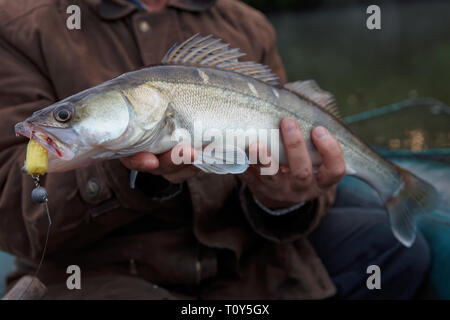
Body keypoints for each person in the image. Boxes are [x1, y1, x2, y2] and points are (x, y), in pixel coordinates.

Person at [0, 0, 430, 299]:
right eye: (66, 116)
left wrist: (279, 200)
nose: (59, 124)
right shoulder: (22, 23)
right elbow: (15, 206)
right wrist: (129, 174)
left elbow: (305, 184)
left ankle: (395, 186)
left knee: (399, 251)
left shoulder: (246, 22)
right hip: (102, 274)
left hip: (243, 260)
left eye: (65, 117)